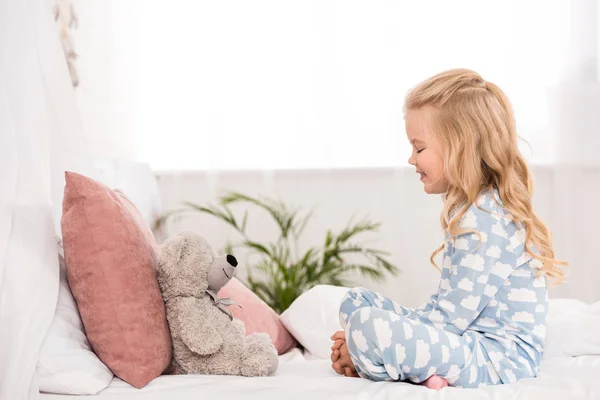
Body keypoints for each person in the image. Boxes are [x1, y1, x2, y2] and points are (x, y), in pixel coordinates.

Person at [330, 69, 566, 389]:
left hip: (497, 360)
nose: (411, 159)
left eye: (420, 147)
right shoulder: (473, 211)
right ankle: (398, 362)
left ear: (460, 146)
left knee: (366, 326)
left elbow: (447, 322)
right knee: (355, 302)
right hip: (466, 338)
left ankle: (370, 361)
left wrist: (363, 344)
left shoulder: (486, 220)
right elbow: (444, 312)